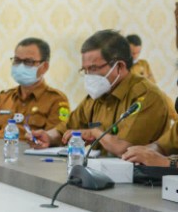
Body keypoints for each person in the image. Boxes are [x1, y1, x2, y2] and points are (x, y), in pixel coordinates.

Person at [31, 30, 170, 157]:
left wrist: (94, 132)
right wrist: (48, 137)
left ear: (119, 66)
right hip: (99, 171)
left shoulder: (146, 96)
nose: (88, 76)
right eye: (85, 70)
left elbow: (124, 149)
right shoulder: (97, 94)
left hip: (140, 175)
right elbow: (66, 128)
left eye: (93, 68)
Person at [0, 37, 69, 140]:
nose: (21, 66)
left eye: (29, 62)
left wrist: (15, 132)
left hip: (31, 150)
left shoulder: (56, 100)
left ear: (44, 67)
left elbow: (53, 139)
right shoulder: (3, 98)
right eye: (17, 60)